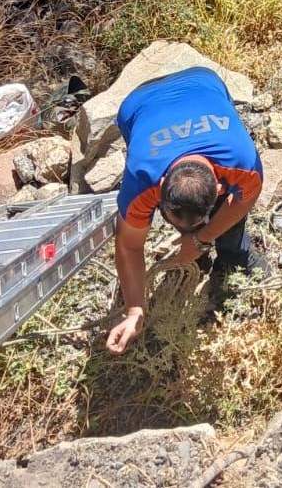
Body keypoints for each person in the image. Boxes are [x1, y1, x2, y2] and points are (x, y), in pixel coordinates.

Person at [106, 67, 267, 355]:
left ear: (220, 188)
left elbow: (242, 202)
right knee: (187, 214)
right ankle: (197, 259)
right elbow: (129, 246)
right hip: (136, 104)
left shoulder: (241, 161)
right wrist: (134, 310)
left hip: (203, 83)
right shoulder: (141, 179)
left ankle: (233, 255)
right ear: (161, 184)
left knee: (217, 223)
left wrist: (202, 237)